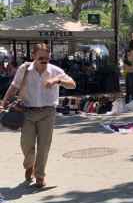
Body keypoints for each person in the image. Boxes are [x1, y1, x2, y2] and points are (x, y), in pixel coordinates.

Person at [0, 43, 76, 188]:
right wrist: (3, 103)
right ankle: (30, 165)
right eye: (41, 57)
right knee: (26, 144)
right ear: (33, 56)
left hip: (48, 112)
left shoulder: (55, 71)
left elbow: (72, 84)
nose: (44, 60)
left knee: (44, 146)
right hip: (27, 111)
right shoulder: (24, 69)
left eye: (47, 58)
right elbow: (14, 87)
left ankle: (40, 176)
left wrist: (57, 80)